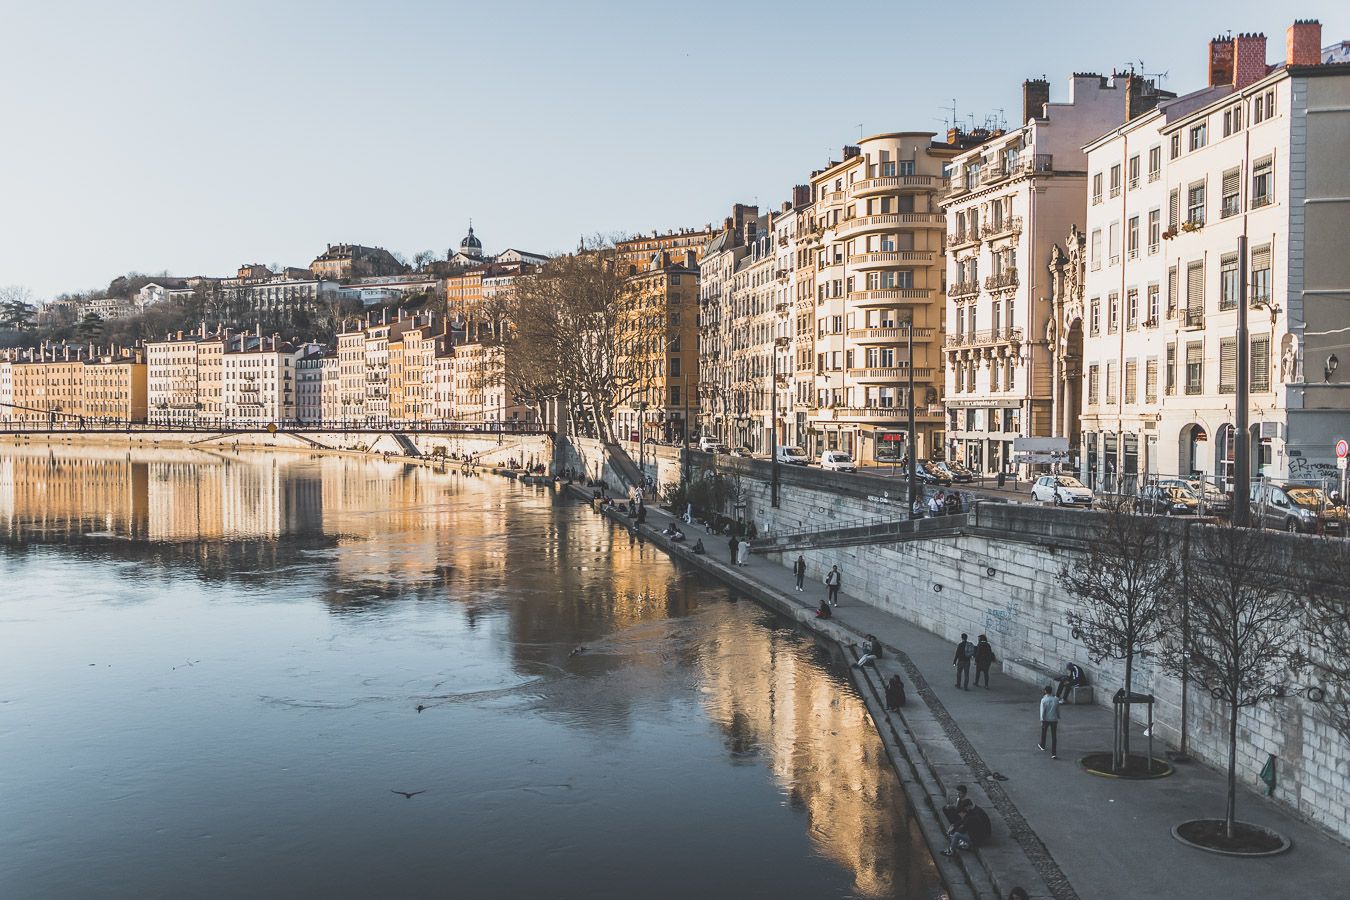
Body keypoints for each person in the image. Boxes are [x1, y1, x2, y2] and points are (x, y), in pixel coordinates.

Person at [1039, 685, 1060, 758]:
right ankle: (1054, 753)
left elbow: (1042, 711)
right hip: (1054, 719)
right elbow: (1057, 710)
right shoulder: (1056, 699)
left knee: (1044, 732)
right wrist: (1058, 716)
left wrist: (1042, 720)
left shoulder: (1043, 700)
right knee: (1054, 736)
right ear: (1051, 691)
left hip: (1046, 719)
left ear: (1045, 691)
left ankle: (1042, 745)